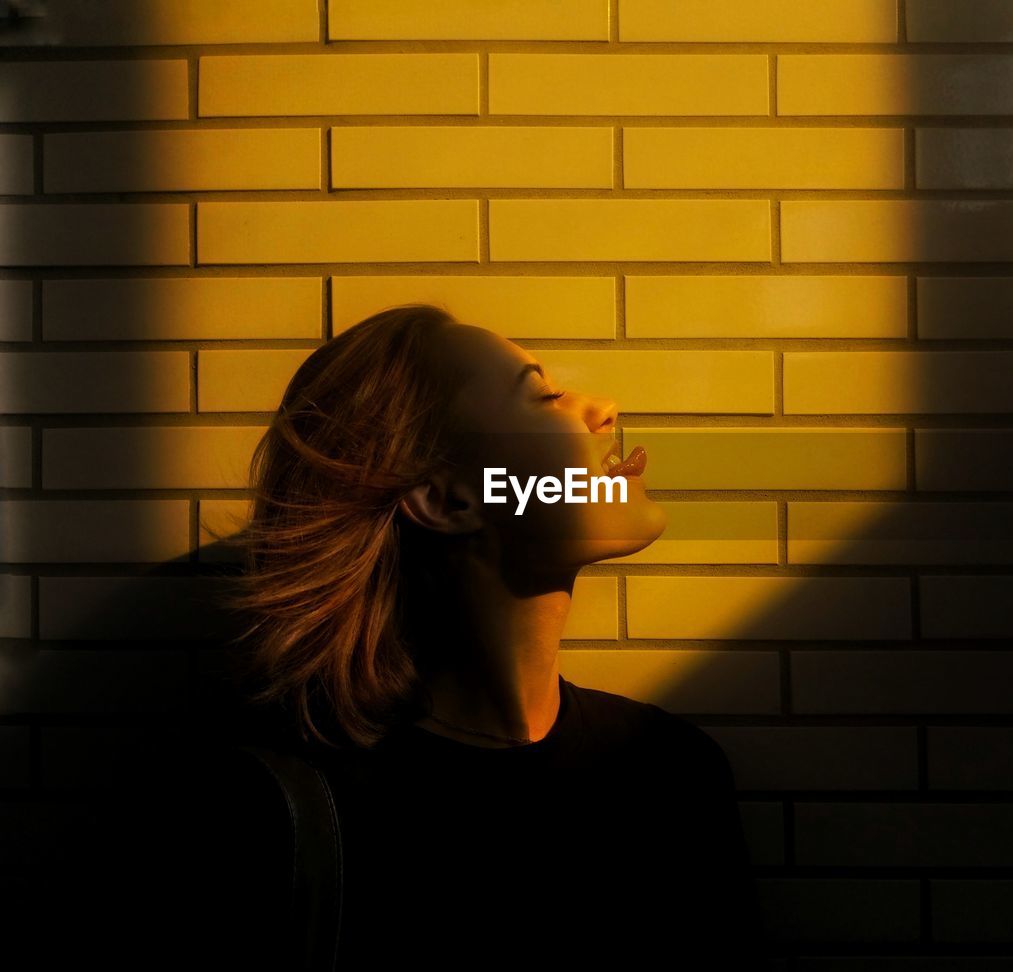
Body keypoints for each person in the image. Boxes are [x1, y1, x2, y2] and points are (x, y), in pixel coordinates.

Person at [73, 304, 769, 970]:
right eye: (544, 398)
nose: (605, 407)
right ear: (445, 500)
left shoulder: (670, 777)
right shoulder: (252, 809)